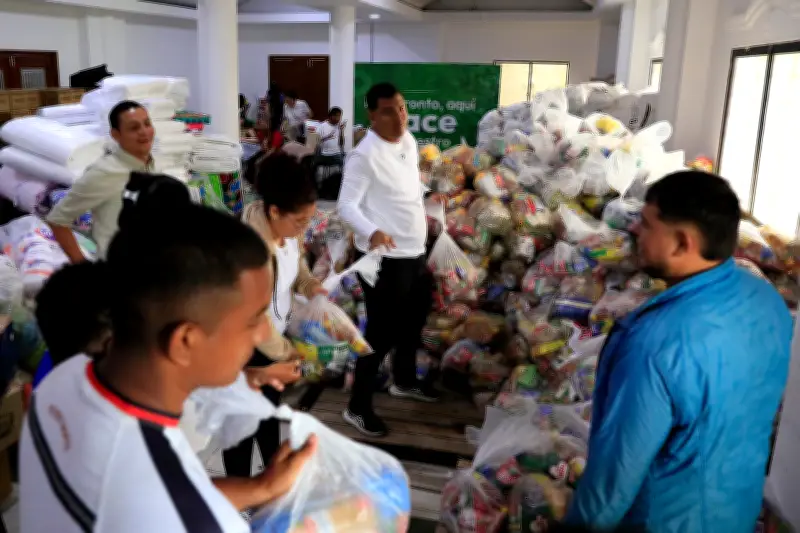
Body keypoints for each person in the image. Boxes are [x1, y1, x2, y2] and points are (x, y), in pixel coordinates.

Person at [21, 186, 317, 532]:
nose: (264, 331)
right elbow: (170, 504)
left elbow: (171, 493)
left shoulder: (69, 378)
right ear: (185, 341)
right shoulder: (193, 520)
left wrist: (260, 487)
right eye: (253, 319)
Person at [564, 171, 792, 533]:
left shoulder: (655, 343)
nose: (636, 231)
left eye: (648, 223)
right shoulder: (765, 301)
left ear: (683, 242)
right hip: (734, 509)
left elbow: (615, 478)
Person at [337, 82, 437, 438]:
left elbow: (407, 186)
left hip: (414, 252)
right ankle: (357, 407)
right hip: (385, 260)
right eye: (388, 111)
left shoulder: (408, 142)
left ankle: (404, 381)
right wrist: (372, 231)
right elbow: (345, 206)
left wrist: (428, 196)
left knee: (414, 321)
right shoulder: (364, 156)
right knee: (380, 333)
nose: (399, 117)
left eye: (402, 108)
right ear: (372, 115)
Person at [224, 152, 326, 479]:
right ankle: (239, 501)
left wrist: (310, 285)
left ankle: (270, 488)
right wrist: (286, 352)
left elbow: (297, 265)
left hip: (274, 342)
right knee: (242, 429)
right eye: (300, 222)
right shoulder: (249, 251)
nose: (304, 229)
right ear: (273, 210)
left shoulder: (286, 230)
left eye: (308, 220)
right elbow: (252, 318)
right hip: (248, 347)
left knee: (269, 420)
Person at [46, 100, 156, 261]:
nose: (144, 132)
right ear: (116, 135)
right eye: (134, 128)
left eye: (147, 124)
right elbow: (57, 220)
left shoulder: (148, 163)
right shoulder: (104, 172)